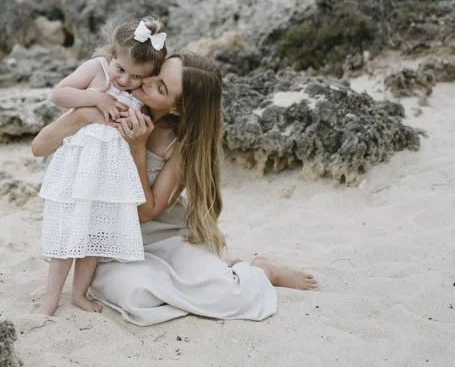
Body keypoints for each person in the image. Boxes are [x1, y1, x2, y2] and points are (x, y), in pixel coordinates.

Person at [31, 50, 317, 325]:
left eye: (160, 87)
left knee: (228, 295)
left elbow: (147, 213)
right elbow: (39, 146)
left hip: (159, 232)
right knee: (135, 294)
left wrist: (138, 149)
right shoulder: (114, 95)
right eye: (155, 74)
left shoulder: (179, 144)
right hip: (107, 234)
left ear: (177, 108)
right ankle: (203, 275)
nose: (145, 81)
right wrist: (83, 115)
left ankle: (261, 270)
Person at [35, 17, 170, 316]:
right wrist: (96, 98)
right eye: (121, 70)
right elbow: (59, 94)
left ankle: (79, 293)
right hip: (78, 169)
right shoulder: (98, 69)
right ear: (112, 54)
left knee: (95, 235)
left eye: (136, 77)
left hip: (109, 175)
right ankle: (51, 297)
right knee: (69, 234)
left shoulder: (138, 96)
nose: (124, 81)